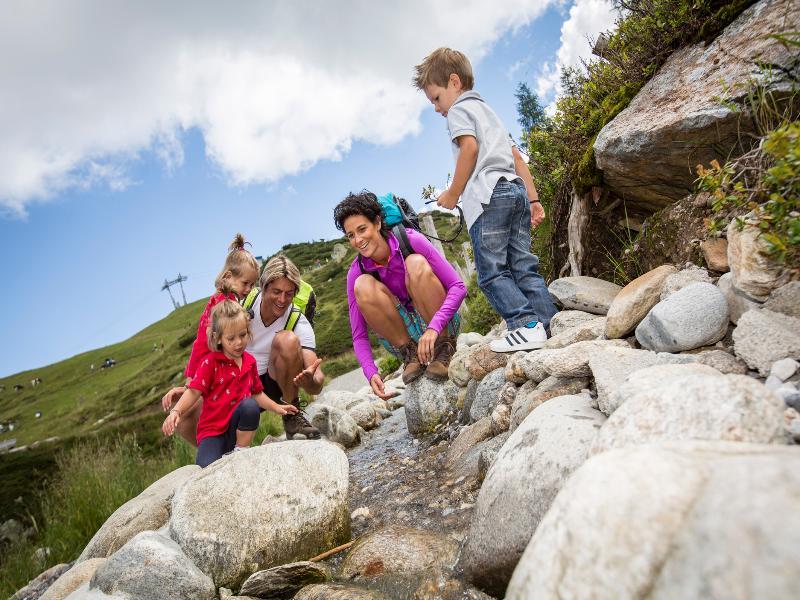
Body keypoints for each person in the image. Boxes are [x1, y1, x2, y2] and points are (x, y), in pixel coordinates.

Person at [413, 48, 558, 352]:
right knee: (522, 265)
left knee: (492, 273)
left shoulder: (458, 112)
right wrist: (533, 199)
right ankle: (550, 324)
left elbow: (469, 149)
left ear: (454, 82)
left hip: (488, 196)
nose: (437, 109)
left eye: (436, 98)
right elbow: (516, 157)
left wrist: (453, 193)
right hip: (514, 190)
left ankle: (526, 325)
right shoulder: (488, 112)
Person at [333, 191, 467, 398]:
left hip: (441, 324)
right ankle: (411, 355)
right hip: (404, 337)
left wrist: (434, 328)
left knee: (415, 263)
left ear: (377, 223)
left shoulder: (411, 240)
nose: (358, 240)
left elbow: (458, 286)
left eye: (362, 229)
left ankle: (444, 348)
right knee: (362, 285)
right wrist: (371, 373)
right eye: (351, 235)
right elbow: (358, 335)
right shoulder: (357, 270)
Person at [162, 300, 297, 467]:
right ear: (219, 339)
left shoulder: (249, 362)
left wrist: (278, 407)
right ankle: (221, 454)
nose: (238, 343)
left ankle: (240, 451)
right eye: (231, 338)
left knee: (249, 406)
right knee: (205, 467)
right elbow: (193, 392)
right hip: (212, 433)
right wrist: (176, 411)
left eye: (242, 335)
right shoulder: (210, 363)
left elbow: (257, 393)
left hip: (236, 428)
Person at [161, 234, 259, 444]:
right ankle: (217, 444)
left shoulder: (221, 298)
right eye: (245, 283)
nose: (249, 289)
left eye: (252, 284)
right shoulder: (224, 303)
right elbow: (206, 343)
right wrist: (191, 382)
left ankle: (216, 445)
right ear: (228, 276)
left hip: (204, 364)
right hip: (208, 365)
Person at [247, 255, 324, 439]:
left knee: (287, 340)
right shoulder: (243, 303)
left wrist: (310, 382)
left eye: (289, 293)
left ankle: (292, 415)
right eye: (276, 291)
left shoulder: (298, 321)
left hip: (272, 386)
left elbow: (318, 380)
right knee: (189, 412)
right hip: (238, 383)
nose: (282, 299)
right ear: (263, 286)